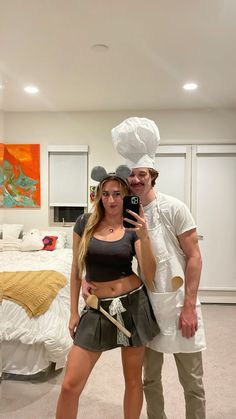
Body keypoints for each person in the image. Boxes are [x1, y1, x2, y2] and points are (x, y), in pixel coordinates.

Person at [111, 117, 206, 419]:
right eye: (131, 176)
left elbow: (194, 257)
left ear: (152, 174)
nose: (136, 180)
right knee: (149, 380)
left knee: (192, 383)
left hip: (180, 306)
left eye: (142, 174)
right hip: (146, 310)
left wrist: (189, 306)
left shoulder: (174, 207)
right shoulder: (125, 214)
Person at [55, 165, 160, 419]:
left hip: (133, 307)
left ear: (125, 195)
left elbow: (149, 272)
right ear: (98, 195)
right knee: (70, 385)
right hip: (97, 308)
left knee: (133, 381)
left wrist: (144, 235)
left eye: (116, 193)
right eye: (105, 193)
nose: (111, 200)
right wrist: (72, 313)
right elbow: (75, 270)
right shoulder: (85, 222)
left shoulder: (131, 224)